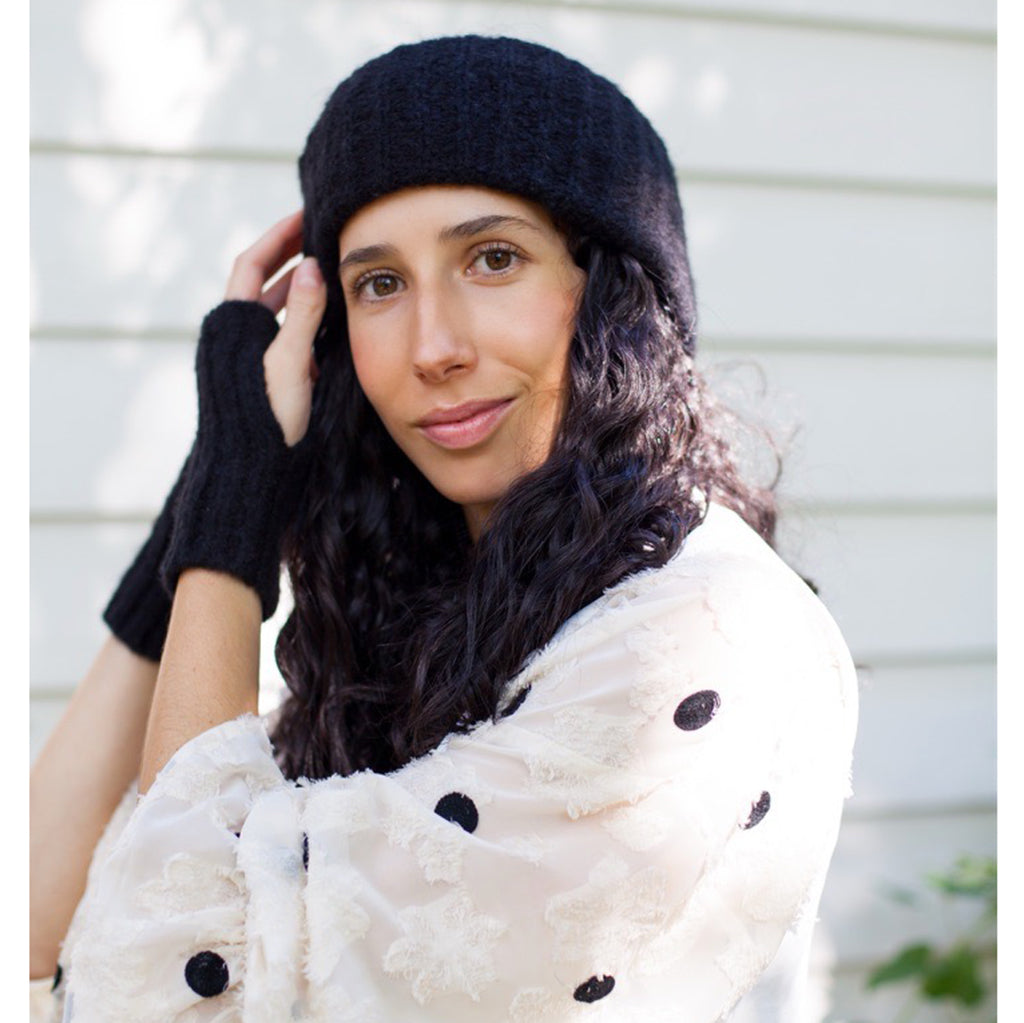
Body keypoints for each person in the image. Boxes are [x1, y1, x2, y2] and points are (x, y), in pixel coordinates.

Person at [29, 35, 858, 1022]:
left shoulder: (694, 636)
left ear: (612, 294)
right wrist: (224, 479)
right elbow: (29, 925)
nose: (432, 348)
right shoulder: (409, 629)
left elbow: (182, 971)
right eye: (379, 283)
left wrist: (231, 516)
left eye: (492, 258)